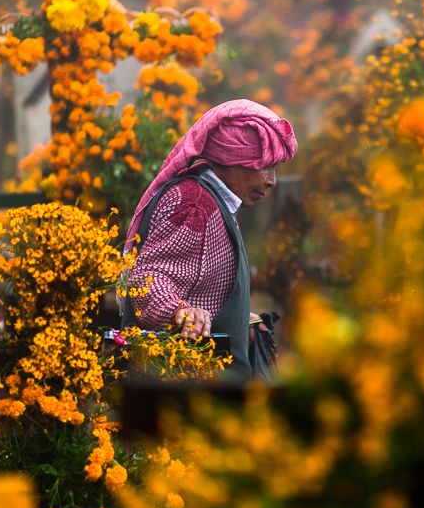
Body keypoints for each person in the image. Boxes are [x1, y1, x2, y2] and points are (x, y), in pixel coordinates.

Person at [120, 99, 297, 382]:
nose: (272, 180)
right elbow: (147, 279)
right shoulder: (195, 205)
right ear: (232, 163)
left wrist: (239, 321)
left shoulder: (214, 203)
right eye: (266, 167)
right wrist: (180, 311)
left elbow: (196, 279)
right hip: (180, 386)